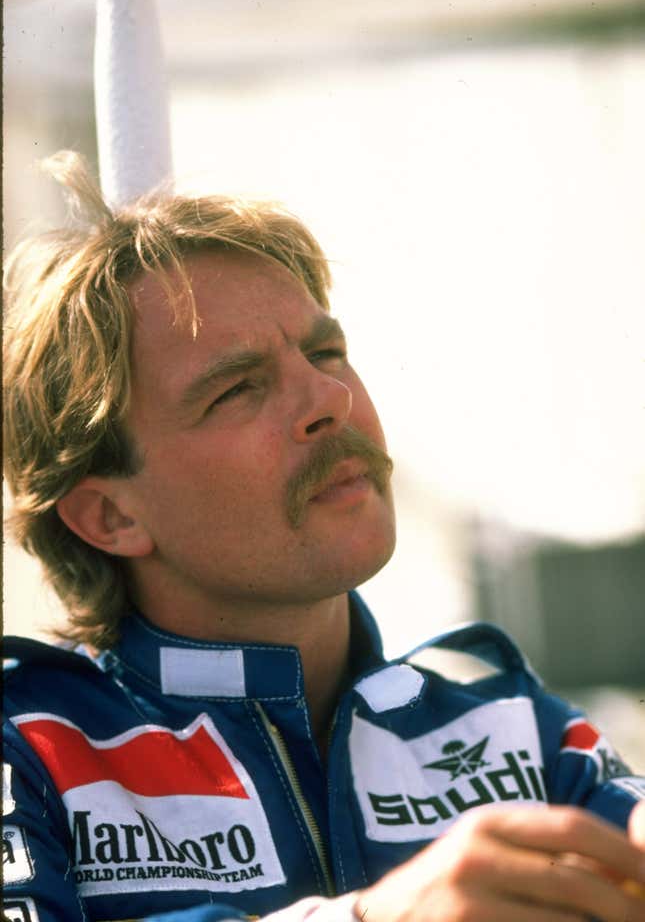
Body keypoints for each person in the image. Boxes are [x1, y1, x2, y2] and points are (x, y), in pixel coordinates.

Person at [3, 151, 645, 922]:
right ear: (110, 516)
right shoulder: (31, 749)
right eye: (237, 389)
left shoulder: (504, 720)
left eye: (324, 352)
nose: (330, 399)